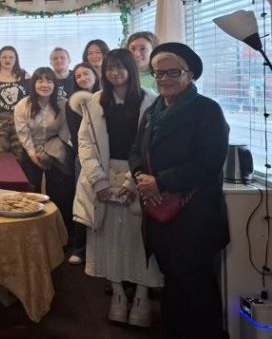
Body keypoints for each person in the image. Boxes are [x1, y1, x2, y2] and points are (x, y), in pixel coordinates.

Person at [130, 43, 230, 339]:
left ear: (191, 75)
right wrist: (140, 176)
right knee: (172, 286)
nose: (164, 79)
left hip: (194, 217)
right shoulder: (153, 111)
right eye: (158, 73)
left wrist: (160, 181)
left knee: (196, 290)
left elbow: (209, 162)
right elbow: (136, 150)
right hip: (161, 216)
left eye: (173, 72)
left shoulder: (207, 111)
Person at [74, 50, 163, 327]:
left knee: (139, 239)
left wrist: (132, 181)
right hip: (102, 174)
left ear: (131, 69)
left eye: (120, 67)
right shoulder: (93, 102)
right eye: (110, 68)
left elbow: (153, 146)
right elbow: (85, 144)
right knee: (108, 237)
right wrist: (98, 180)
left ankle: (142, 296)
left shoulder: (151, 101)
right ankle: (118, 295)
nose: (114, 73)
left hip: (139, 176)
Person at [14, 67, 73, 233]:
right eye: (40, 80)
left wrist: (50, 153)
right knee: (31, 193)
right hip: (30, 149)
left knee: (59, 194)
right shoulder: (23, 105)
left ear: (55, 84)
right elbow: (23, 133)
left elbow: (64, 133)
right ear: (33, 84)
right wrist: (34, 156)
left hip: (56, 150)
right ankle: (31, 231)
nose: (44, 85)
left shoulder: (63, 104)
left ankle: (58, 233)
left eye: (49, 80)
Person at [64, 62, 100, 265]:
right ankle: (79, 248)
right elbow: (77, 137)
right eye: (77, 76)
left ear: (95, 75)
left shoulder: (107, 98)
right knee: (83, 200)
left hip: (109, 158)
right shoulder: (73, 103)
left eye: (86, 74)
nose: (82, 78)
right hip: (83, 157)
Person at [0, 45, 30, 156]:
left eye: (11, 57)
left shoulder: (25, 77)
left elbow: (32, 101)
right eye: (4, 57)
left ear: (16, 59)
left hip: (19, 124)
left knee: (20, 159)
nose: (7, 60)